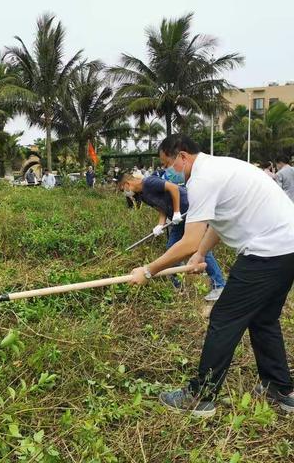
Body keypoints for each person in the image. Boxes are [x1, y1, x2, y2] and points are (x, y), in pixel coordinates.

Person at [129, 134, 294, 417]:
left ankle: (200, 397)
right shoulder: (220, 168)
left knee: (223, 319)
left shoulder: (203, 179)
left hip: (268, 251)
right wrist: (201, 254)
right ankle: (281, 389)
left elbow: (188, 240)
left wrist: (147, 270)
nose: (168, 172)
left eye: (168, 164)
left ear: (182, 156)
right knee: (263, 319)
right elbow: (220, 220)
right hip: (287, 248)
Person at [120, 174, 225, 300]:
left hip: (189, 211)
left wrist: (176, 212)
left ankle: (219, 285)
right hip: (178, 220)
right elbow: (161, 207)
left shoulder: (149, 182)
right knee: (171, 248)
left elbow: (173, 188)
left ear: (127, 183)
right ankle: (178, 285)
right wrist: (160, 224)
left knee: (200, 249)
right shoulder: (143, 195)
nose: (125, 192)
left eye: (122, 189)